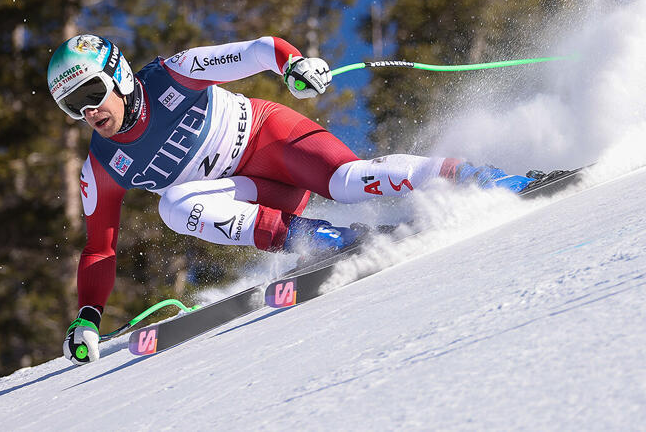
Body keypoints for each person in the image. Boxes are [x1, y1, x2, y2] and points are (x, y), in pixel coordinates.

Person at [48, 34, 534, 365]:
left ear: (119, 75)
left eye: (92, 91)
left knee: (347, 181)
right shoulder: (101, 164)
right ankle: (324, 239)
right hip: (254, 192)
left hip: (270, 140)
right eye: (73, 105)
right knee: (174, 208)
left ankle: (475, 176)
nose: (89, 110)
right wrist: (87, 317)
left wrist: (293, 64)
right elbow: (100, 248)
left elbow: (259, 51)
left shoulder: (170, 75)